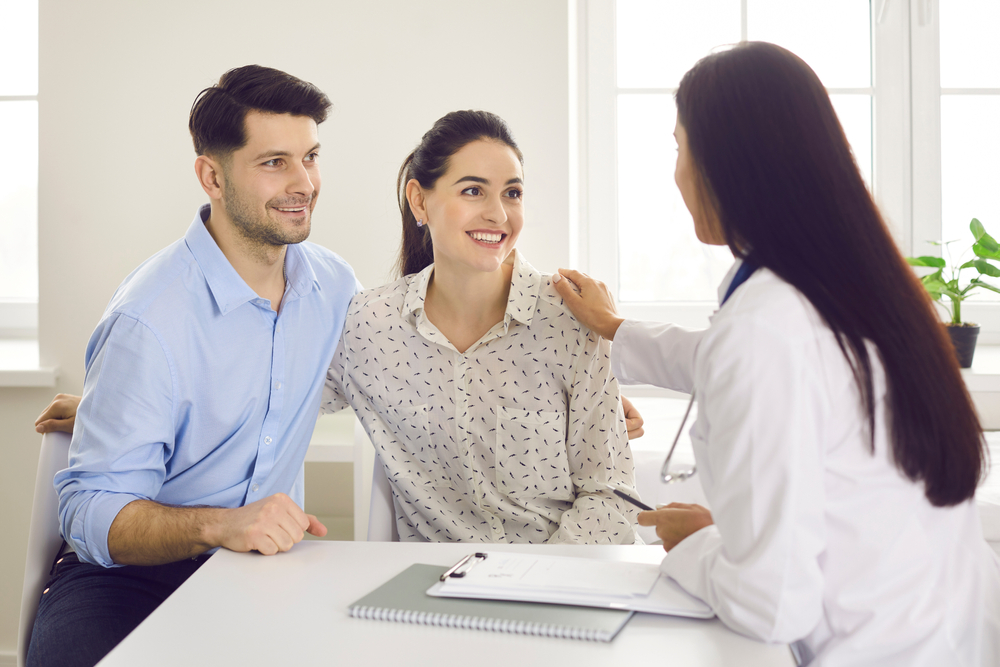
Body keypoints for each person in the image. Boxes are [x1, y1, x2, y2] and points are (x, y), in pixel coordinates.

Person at [553, 42, 1000, 665]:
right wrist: (612, 329)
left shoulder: (767, 326)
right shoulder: (858, 287)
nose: (676, 172)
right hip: (949, 635)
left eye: (680, 147)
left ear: (727, 166)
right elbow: (730, 356)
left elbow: (771, 604)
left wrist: (695, 544)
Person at [27, 65, 359, 667]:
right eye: (273, 162)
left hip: (262, 576)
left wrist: (112, 409)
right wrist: (219, 525)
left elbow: (407, 369)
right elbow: (88, 514)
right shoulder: (148, 322)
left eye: (310, 156)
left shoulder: (333, 287)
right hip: (125, 579)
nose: (303, 182)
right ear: (211, 174)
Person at [320, 110, 641, 543]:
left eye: (512, 193)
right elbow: (276, 407)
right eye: (473, 191)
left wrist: (531, 589)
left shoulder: (572, 318)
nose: (499, 214)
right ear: (420, 201)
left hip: (563, 585)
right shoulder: (369, 325)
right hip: (434, 591)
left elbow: (610, 496)